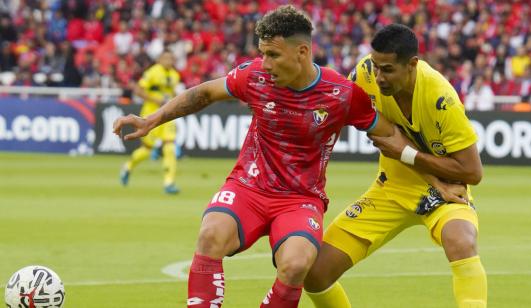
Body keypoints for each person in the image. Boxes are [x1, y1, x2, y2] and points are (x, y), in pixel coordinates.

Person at [113, 5, 397, 308]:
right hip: (248, 187)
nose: (265, 63)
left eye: (273, 54)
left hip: (299, 198)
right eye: (262, 53)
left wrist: (433, 171)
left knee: (297, 264)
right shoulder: (254, 76)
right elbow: (204, 93)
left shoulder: (341, 93)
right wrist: (151, 120)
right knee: (210, 236)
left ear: (302, 52)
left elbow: (389, 134)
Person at [304, 24, 487, 308]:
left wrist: (408, 156)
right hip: (389, 189)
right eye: (376, 66)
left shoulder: (442, 99)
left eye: (387, 69)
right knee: (315, 274)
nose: (378, 77)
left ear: (412, 64)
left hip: (443, 195)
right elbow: (345, 113)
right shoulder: (365, 73)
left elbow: (472, 172)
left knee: (462, 241)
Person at [119, 50, 181, 194]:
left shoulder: (175, 75)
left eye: (171, 58)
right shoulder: (152, 72)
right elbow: (138, 90)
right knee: (146, 150)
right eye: (166, 58)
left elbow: (172, 94)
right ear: (159, 59)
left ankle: (169, 183)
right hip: (150, 115)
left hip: (167, 115)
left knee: (169, 147)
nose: (169, 61)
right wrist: (157, 101)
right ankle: (128, 167)